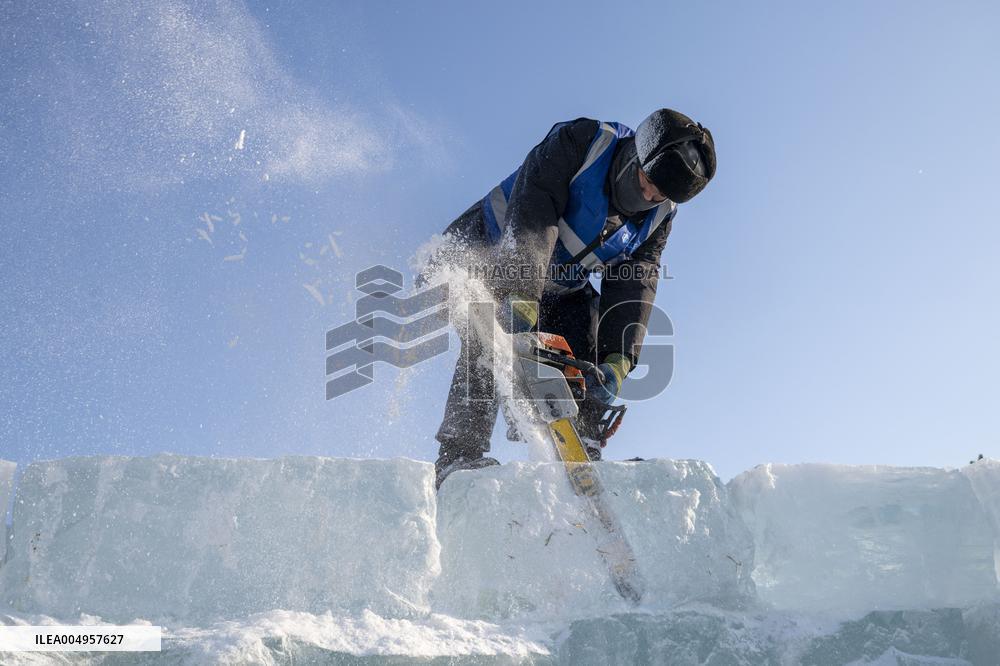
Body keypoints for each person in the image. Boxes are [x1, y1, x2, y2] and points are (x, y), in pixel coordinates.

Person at [431, 108, 716, 488]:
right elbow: (535, 210)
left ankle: (578, 444)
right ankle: (458, 455)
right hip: (486, 250)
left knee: (588, 327)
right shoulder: (584, 143)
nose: (648, 194)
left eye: (659, 193)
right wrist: (520, 292)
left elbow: (635, 282)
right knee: (489, 326)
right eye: (646, 180)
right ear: (637, 154)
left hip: (555, 284)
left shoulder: (659, 217)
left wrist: (619, 358)